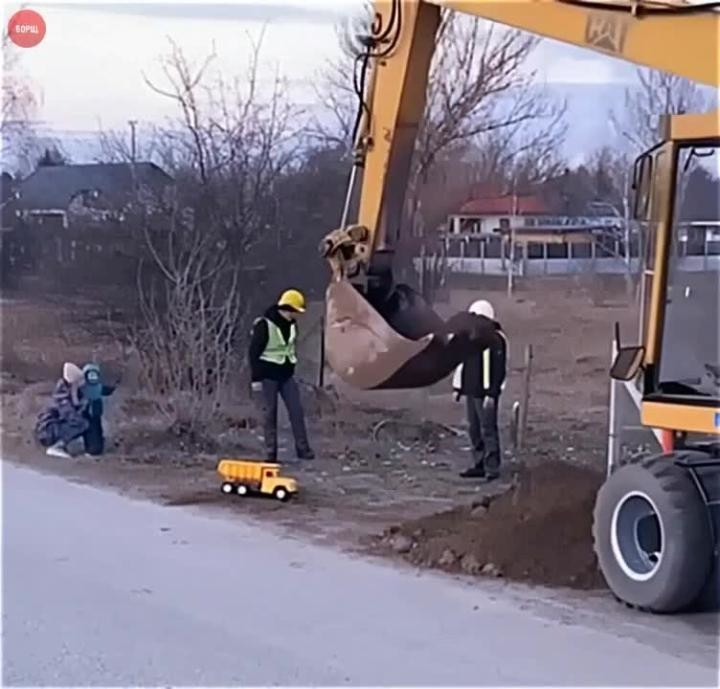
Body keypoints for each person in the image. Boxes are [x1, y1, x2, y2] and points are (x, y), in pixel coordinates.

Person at [248, 289, 315, 462]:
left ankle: (303, 449)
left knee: (296, 411)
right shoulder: (264, 325)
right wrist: (256, 380)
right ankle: (270, 453)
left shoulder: (292, 325)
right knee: (269, 414)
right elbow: (254, 353)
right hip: (267, 376)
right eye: (296, 311)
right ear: (288, 308)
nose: (297, 315)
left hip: (286, 376)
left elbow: (289, 349)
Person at [452, 299, 507, 481]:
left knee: (488, 429)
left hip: (486, 394)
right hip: (471, 391)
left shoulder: (496, 340)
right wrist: (458, 388)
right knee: (474, 429)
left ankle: (492, 467)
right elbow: (461, 363)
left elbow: (499, 369)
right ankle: (479, 464)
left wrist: (492, 393)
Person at [34, 362, 89, 458]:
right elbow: (71, 417)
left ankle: (64, 443)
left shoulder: (64, 392)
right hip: (47, 430)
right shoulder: (62, 399)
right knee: (82, 424)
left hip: (50, 428)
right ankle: (57, 446)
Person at [80, 363, 116, 457]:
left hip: (96, 412)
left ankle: (98, 448)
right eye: (90, 375)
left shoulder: (99, 387)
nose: (92, 378)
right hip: (86, 413)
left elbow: (108, 390)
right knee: (88, 431)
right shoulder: (83, 388)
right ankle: (90, 448)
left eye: (94, 375)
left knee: (98, 430)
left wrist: (115, 387)